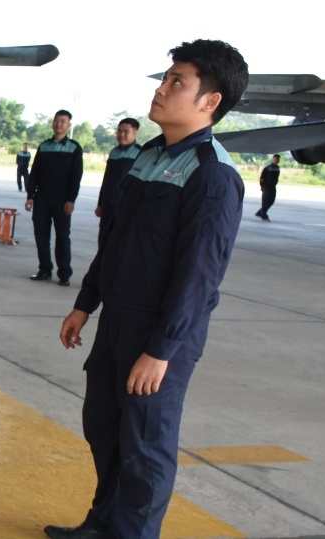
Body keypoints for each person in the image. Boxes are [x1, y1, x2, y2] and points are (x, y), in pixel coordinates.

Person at [46, 39, 248, 539]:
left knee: (146, 449)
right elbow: (115, 240)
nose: (162, 89)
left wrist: (160, 350)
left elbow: (199, 277)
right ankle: (102, 525)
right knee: (106, 431)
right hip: (116, 320)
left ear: (210, 102)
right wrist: (85, 302)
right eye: (164, 78)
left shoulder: (213, 174)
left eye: (177, 82)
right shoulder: (149, 157)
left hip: (159, 335)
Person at [25, 110, 84, 287]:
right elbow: (34, 173)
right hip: (42, 198)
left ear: (69, 125)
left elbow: (76, 176)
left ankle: (64, 273)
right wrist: (30, 196)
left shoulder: (74, 148)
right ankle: (44, 269)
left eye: (63, 121)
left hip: (62, 200)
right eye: (56, 120)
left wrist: (71, 199)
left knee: (63, 237)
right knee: (41, 235)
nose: (59, 124)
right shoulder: (44, 146)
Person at [94, 117, 140, 246]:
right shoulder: (114, 152)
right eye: (119, 131)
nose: (122, 135)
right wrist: (100, 203)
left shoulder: (140, 154)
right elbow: (106, 179)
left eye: (126, 131)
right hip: (108, 204)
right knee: (103, 239)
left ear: (135, 132)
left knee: (119, 242)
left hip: (125, 205)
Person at [255, 154, 281, 221]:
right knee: (265, 201)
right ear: (273, 159)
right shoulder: (267, 168)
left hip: (273, 187)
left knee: (271, 201)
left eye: (278, 159)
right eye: (275, 159)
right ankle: (264, 216)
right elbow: (262, 178)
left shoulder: (277, 168)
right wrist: (262, 186)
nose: (277, 160)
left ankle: (260, 213)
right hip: (266, 187)